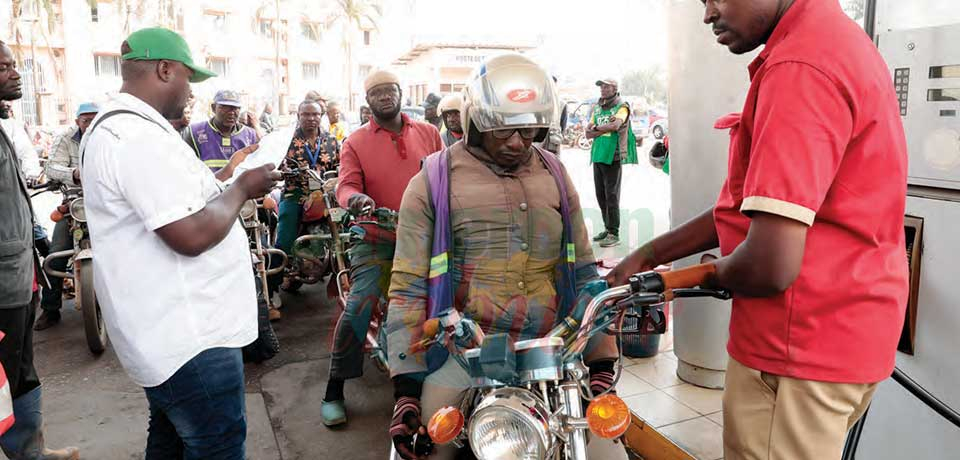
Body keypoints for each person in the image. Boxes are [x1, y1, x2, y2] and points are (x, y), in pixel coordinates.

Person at [609, 0, 909, 458]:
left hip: (796, 349)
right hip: (846, 333)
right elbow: (750, 210)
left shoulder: (800, 67)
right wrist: (651, 252)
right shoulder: (832, 42)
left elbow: (769, 265)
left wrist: (716, 272)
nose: (708, 13)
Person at [385, 53, 626, 460]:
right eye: (505, 130)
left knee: (608, 455)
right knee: (427, 452)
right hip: (465, 355)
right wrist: (405, 391)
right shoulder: (432, 180)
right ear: (477, 122)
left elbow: (585, 271)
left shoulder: (554, 172)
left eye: (529, 129)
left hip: (556, 351)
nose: (518, 142)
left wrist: (601, 361)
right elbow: (407, 286)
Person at [80, 27, 280, 458]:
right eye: (190, 78)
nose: (191, 91)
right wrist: (243, 186)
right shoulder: (135, 136)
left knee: (170, 440)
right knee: (217, 447)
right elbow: (190, 235)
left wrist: (231, 177)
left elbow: (184, 201)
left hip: (171, 336)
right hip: (190, 341)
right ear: (165, 69)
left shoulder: (130, 129)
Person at [319, 69, 443, 427]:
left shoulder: (429, 133)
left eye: (391, 91)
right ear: (367, 100)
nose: (385, 97)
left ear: (401, 94)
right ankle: (334, 387)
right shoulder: (355, 141)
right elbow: (345, 186)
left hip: (425, 237)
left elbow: (448, 175)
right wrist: (355, 199)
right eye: (378, 93)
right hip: (376, 237)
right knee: (361, 302)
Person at [0, 40, 80, 460]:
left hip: (18, 274)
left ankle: (31, 450)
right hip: (3, 284)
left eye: (14, 65)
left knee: (20, 372)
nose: (15, 73)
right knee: (7, 375)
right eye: (4, 67)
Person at [268, 99, 340, 320]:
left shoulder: (330, 140)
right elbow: (275, 165)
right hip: (295, 194)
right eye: (306, 114)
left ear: (322, 116)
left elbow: (340, 165)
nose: (311, 118)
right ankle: (271, 290)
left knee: (344, 233)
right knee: (285, 238)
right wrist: (282, 173)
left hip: (324, 196)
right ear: (298, 115)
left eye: (315, 114)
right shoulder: (286, 140)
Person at [32, 102, 99, 331]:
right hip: (74, 204)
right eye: (86, 119)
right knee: (56, 254)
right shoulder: (65, 138)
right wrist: (74, 173)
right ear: (77, 121)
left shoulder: (108, 137)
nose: (90, 124)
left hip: (106, 203)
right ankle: (51, 310)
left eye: (94, 118)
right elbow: (51, 168)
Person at [585, 78, 638, 248]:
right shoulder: (598, 108)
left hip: (612, 156)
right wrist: (598, 129)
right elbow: (587, 131)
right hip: (598, 155)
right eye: (600, 86)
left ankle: (614, 233)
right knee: (601, 194)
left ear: (614, 88)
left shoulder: (622, 106)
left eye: (606, 86)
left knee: (612, 195)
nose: (602, 89)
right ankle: (607, 229)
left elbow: (616, 125)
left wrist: (596, 130)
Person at [183, 89, 259, 173]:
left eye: (235, 108)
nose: (231, 113)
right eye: (225, 107)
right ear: (213, 108)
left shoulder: (250, 135)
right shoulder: (194, 132)